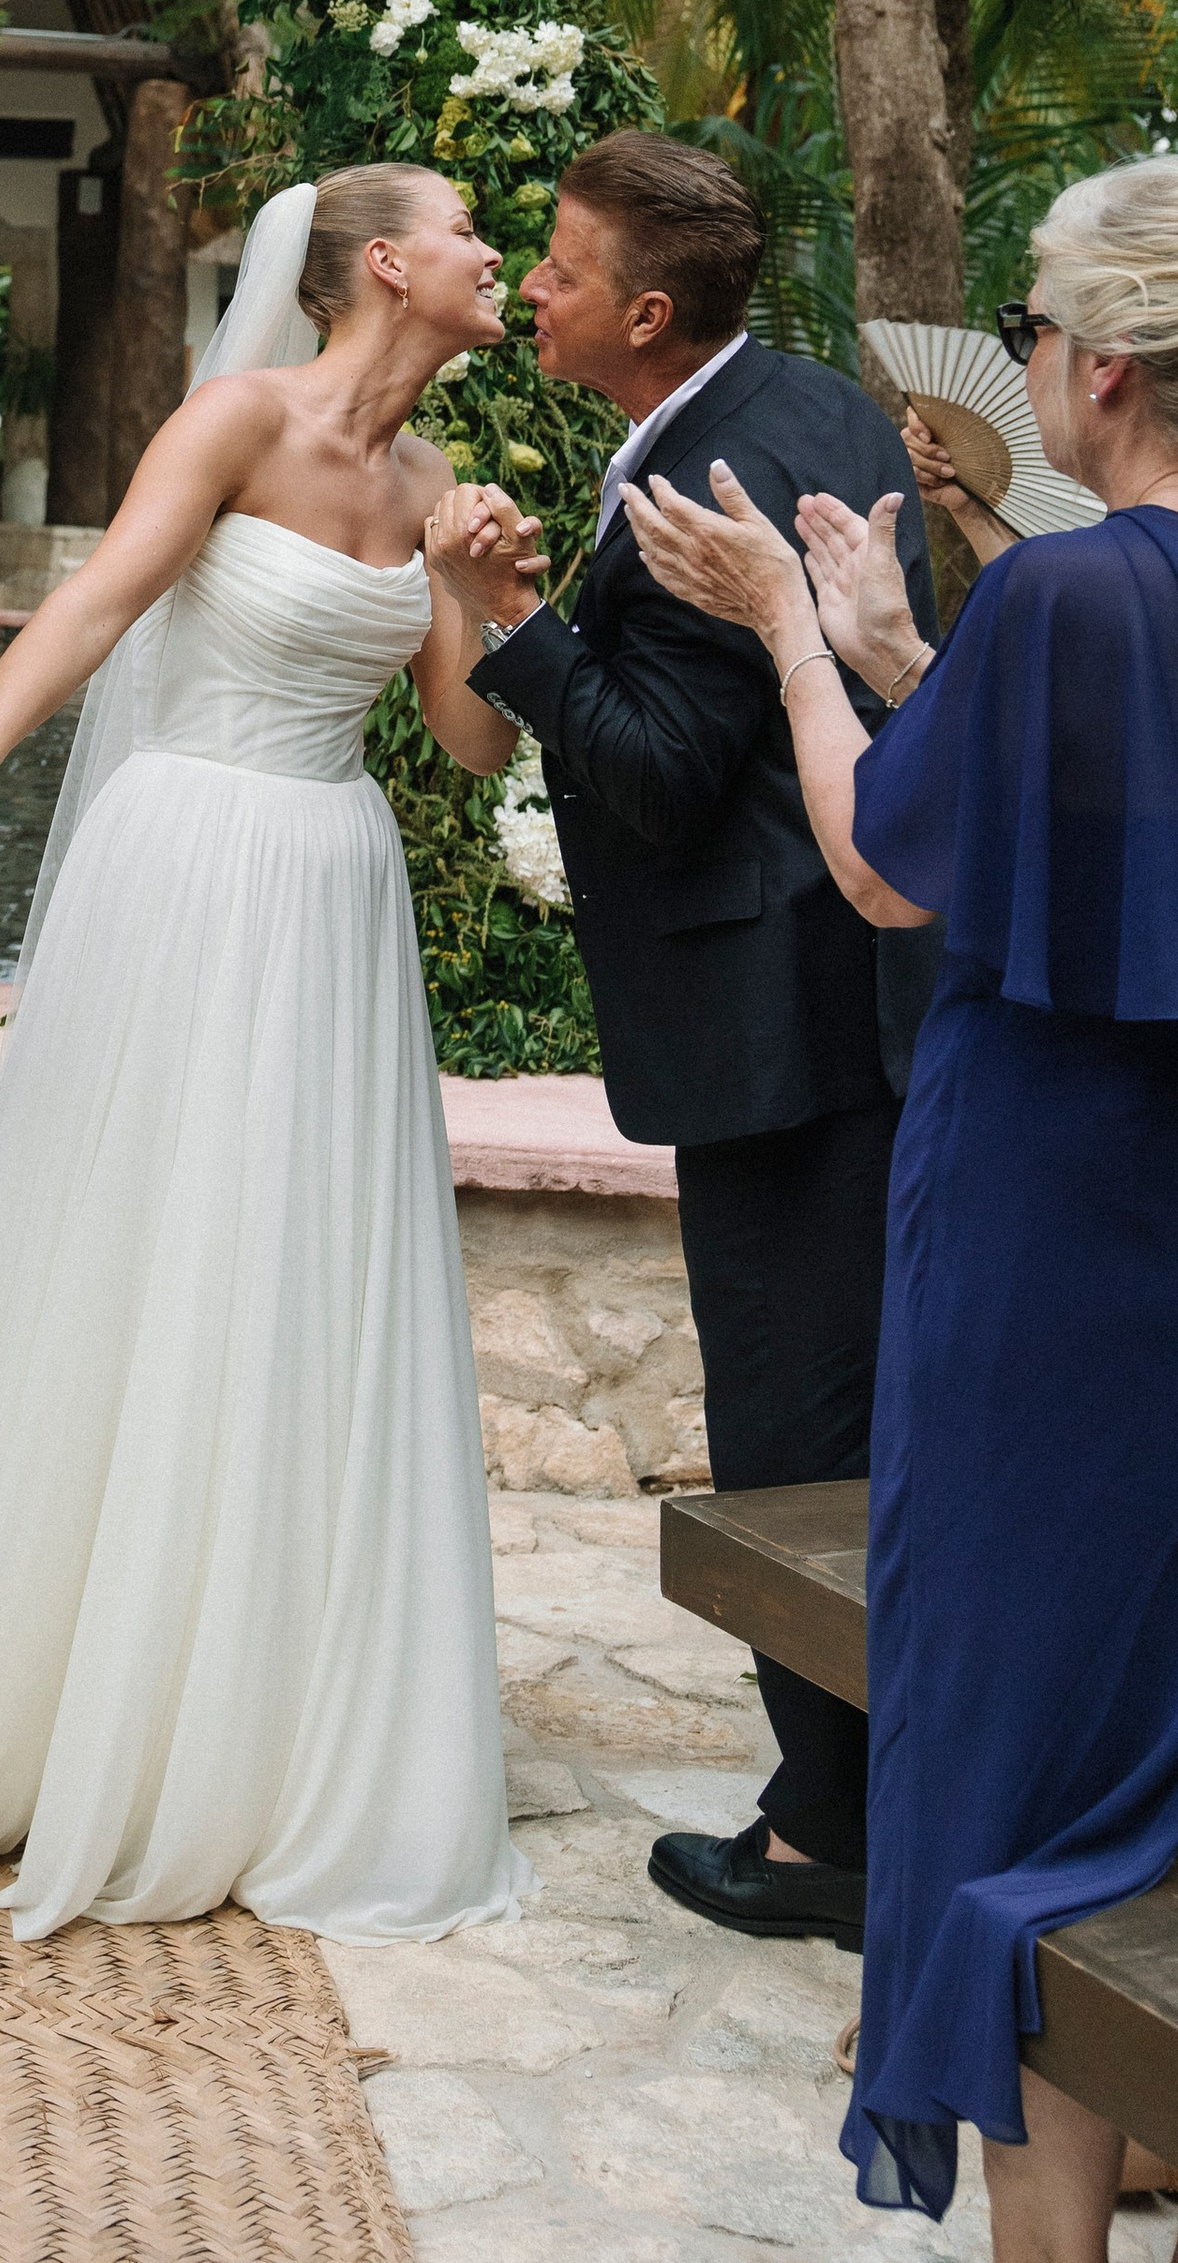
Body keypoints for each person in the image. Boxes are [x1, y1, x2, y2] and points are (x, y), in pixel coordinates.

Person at [0, 168, 528, 1943]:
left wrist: (480, 594)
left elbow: (470, 748)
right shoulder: (236, 419)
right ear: (386, 267)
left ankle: (250, 1718)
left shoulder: (432, 491)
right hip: (182, 864)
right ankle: (53, 1688)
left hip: (332, 885)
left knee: (289, 1280)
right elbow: (96, 608)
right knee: (139, 1253)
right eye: (475, 230)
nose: (500, 258)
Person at [617, 158, 1178, 2263]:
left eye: (1033, 339)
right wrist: (902, 644)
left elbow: (882, 869)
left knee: (1010, 1723)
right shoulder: (1042, 603)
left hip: (1046, 1224)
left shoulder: (1064, 591)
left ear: (1100, 364)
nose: (1023, 374)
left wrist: (788, 633)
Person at [427, 129, 939, 1950]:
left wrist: (511, 619)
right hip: (846, 1011)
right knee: (845, 1420)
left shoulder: (713, 478)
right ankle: (853, 1805)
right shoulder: (801, 396)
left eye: (557, 268)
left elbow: (651, 777)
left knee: (798, 1437)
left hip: (785, 1032)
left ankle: (830, 1841)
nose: (533, 287)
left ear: (646, 313)